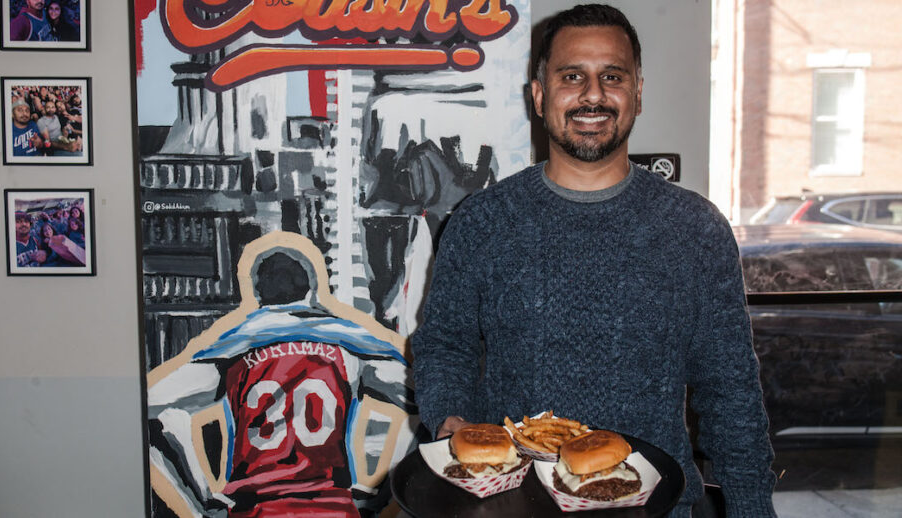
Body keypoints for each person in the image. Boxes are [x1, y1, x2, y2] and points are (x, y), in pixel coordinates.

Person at [410, 4, 776, 517]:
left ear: (638, 93)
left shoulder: (695, 230)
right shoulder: (482, 222)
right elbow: (445, 344)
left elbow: (731, 392)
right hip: (514, 507)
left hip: (657, 509)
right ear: (539, 96)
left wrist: (753, 509)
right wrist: (448, 413)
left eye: (612, 76)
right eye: (571, 77)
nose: (593, 95)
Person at [147, 232, 416, 518]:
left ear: (257, 296)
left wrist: (200, 500)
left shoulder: (232, 354)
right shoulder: (350, 352)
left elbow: (152, 409)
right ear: (312, 292)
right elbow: (424, 404)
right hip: (333, 511)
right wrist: (383, 491)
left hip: (257, 511)